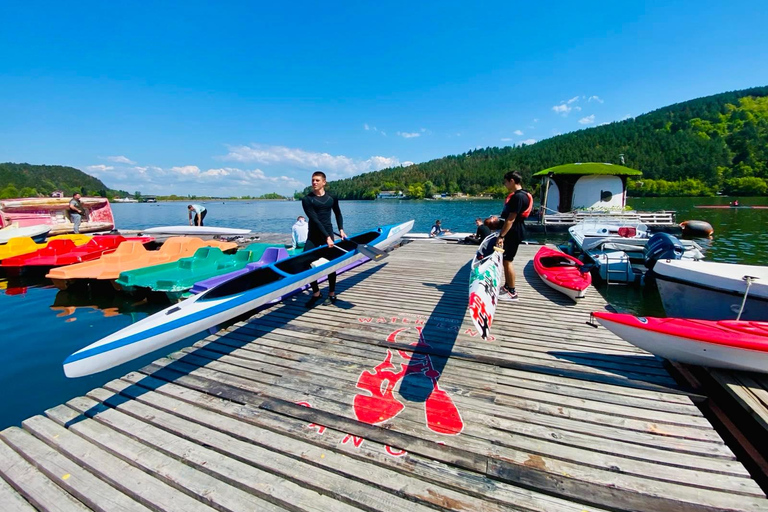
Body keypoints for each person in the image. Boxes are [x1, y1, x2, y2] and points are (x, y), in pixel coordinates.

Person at [302, 171, 347, 307]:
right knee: (306, 263)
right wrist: (327, 237)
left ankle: (331, 294)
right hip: (314, 236)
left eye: (317, 180)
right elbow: (315, 220)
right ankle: (316, 293)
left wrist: (341, 229)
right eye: (312, 180)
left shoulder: (331, 197)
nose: (314, 183)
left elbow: (338, 213)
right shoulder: (307, 199)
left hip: (328, 233)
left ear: (324, 182)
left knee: (330, 264)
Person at [496, 171, 531, 302]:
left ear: (511, 180)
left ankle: (512, 292)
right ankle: (506, 286)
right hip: (516, 229)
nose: (504, 184)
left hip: (514, 230)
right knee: (506, 260)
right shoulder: (524, 194)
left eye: (505, 182)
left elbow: (510, 219)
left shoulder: (518, 197)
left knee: (507, 260)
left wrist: (501, 236)